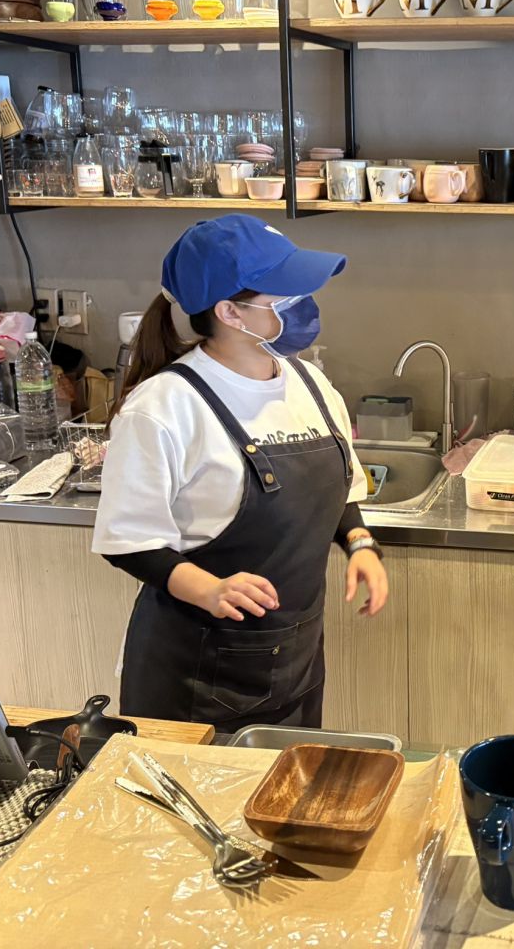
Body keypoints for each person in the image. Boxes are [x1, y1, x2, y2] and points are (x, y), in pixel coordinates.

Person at [94, 214, 387, 732]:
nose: (304, 306)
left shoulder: (308, 383)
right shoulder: (164, 406)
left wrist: (360, 543)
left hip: (292, 662)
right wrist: (209, 589)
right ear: (230, 311)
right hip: (198, 675)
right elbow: (129, 541)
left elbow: (336, 486)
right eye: (286, 295)